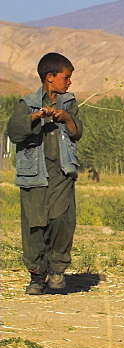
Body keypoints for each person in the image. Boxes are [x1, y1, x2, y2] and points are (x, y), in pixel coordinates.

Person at [6, 53, 83, 295]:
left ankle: (57, 271)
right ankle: (37, 275)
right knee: (35, 224)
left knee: (61, 220)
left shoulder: (69, 102)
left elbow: (76, 132)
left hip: (61, 172)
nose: (69, 82)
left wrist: (66, 117)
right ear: (50, 77)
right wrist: (35, 117)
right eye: (66, 77)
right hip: (34, 174)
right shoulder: (26, 103)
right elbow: (15, 132)